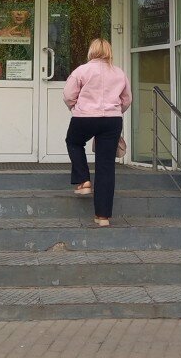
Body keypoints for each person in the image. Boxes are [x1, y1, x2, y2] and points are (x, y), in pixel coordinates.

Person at [63, 38, 132, 227]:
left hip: (85, 117)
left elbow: (68, 95)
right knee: (106, 166)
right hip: (112, 120)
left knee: (74, 142)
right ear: (109, 52)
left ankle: (83, 180)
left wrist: (75, 108)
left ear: (91, 51)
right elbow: (127, 99)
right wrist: (115, 111)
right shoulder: (119, 73)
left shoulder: (81, 70)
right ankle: (103, 217)